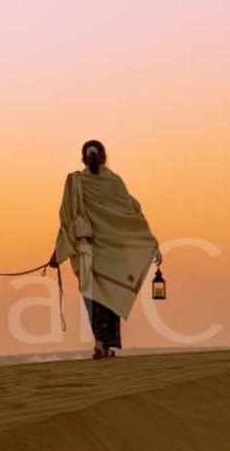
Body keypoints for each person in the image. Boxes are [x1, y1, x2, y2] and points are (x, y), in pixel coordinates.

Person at [49, 139, 160, 359]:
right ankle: (104, 345)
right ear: (104, 157)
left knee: (93, 297)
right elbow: (133, 215)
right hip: (114, 255)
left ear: (83, 158)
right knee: (110, 296)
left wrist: (57, 253)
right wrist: (151, 243)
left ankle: (100, 343)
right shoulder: (114, 182)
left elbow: (68, 222)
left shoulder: (75, 182)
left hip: (88, 252)